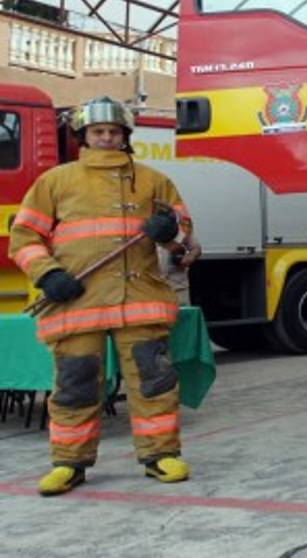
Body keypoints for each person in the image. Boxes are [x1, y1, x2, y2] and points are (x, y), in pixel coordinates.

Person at [8, 97, 199, 496]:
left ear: (125, 136)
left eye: (114, 132)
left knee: (155, 382)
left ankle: (160, 455)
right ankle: (68, 463)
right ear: (83, 137)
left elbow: (186, 241)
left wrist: (169, 232)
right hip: (78, 303)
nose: (107, 138)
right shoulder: (55, 182)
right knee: (75, 387)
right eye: (98, 132)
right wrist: (49, 275)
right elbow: (24, 236)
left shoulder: (153, 180)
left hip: (139, 303)